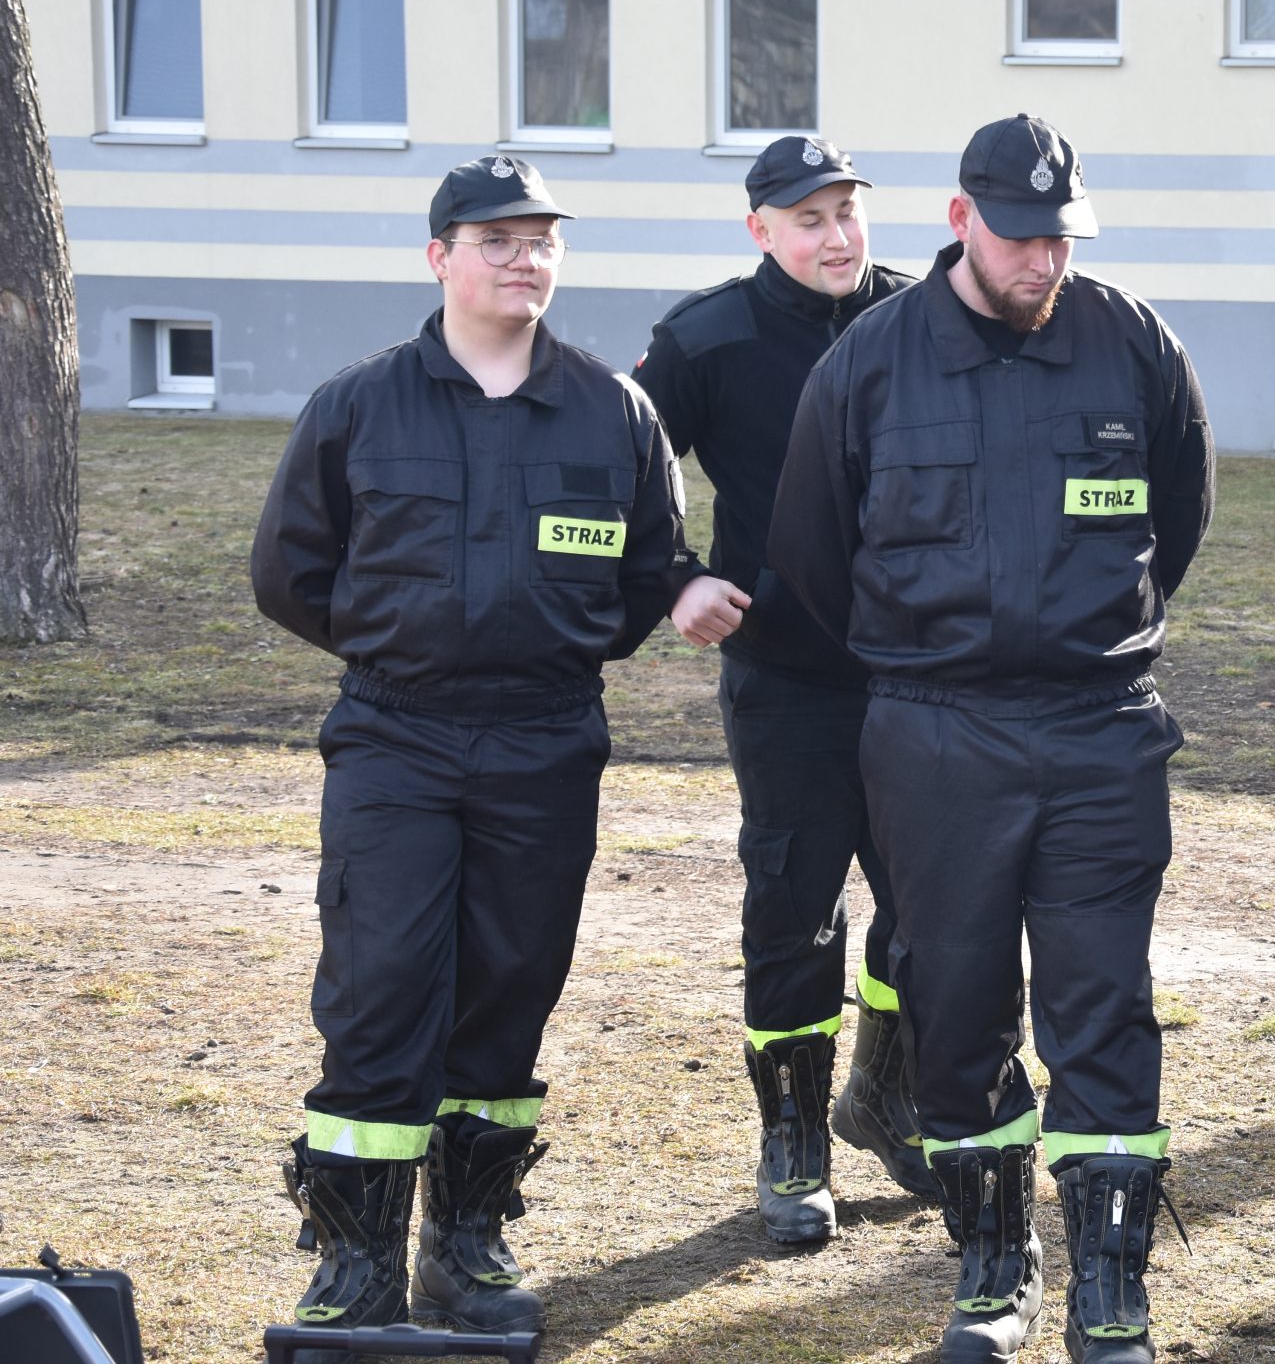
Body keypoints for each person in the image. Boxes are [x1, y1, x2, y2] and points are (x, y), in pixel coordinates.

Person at [770, 113, 1213, 1364]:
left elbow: (1175, 520)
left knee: (1104, 1005)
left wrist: (1081, 638)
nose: (1042, 262)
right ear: (961, 220)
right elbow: (811, 550)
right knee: (956, 1010)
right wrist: (931, 657)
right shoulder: (870, 363)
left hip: (1100, 728)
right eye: (1019, 238)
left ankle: (1110, 1291)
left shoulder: (1131, 343)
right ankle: (991, 1266)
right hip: (936, 734)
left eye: (1061, 239)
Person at [250, 155, 685, 1350]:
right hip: (396, 733)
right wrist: (406, 648)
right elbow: (289, 572)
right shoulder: (360, 405)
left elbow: (648, 573)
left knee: (509, 983)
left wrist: (542, 651)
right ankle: (355, 1259)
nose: (523, 259)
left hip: (545, 739)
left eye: (542, 240)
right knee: (380, 981)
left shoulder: (612, 411)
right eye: (497, 240)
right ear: (439, 255)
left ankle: (466, 1242)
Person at [631, 134, 929, 1239]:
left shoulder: (924, 318)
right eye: (810, 220)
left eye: (848, 212)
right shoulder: (706, 337)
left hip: (924, 680)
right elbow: (617, 463)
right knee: (796, 914)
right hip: (788, 682)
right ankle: (794, 1141)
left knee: (928, 911)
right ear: (759, 230)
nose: (837, 236)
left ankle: (884, 1096)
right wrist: (675, 578)